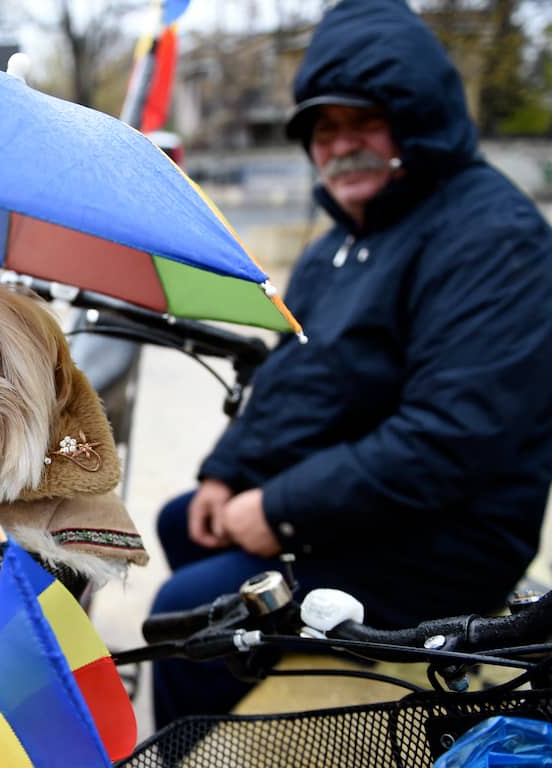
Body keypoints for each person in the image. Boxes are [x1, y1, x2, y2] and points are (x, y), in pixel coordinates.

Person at [149, 0, 552, 726]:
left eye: (363, 122)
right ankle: (252, 686)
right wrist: (229, 471)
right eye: (323, 130)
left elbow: (449, 438)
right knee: (184, 521)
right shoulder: (343, 242)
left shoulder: (494, 237)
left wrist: (278, 510)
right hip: (372, 509)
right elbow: (294, 377)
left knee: (187, 618)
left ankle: (218, 718)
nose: (341, 147)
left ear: (417, 118)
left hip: (449, 536)